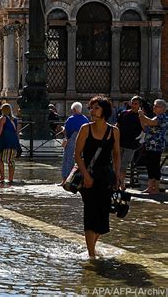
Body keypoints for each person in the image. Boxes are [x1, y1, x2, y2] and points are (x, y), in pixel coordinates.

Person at [74, 95, 121, 258]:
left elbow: (116, 155)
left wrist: (118, 174)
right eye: (91, 108)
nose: (92, 111)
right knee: (90, 212)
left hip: (106, 176)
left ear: (105, 110)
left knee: (103, 214)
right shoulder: (86, 128)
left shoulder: (114, 131)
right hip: (89, 175)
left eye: (96, 108)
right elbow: (77, 155)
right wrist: (86, 175)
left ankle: (92, 244)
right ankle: (91, 253)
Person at [138, 99, 168, 194]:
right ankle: (150, 187)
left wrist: (142, 115)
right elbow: (145, 127)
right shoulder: (156, 117)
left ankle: (156, 188)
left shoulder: (163, 117)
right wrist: (141, 117)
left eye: (156, 106)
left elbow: (150, 122)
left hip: (157, 145)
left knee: (155, 166)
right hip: (150, 145)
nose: (154, 107)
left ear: (162, 108)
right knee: (149, 165)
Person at [116, 96, 143, 189]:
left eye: (136, 104)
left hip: (131, 144)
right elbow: (117, 125)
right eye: (133, 103)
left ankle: (120, 182)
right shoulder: (124, 113)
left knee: (124, 164)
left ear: (140, 105)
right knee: (117, 163)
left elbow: (144, 128)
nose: (134, 105)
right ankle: (120, 182)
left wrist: (142, 116)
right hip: (120, 141)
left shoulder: (141, 116)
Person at [61, 102, 89, 185]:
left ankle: (65, 180)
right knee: (81, 160)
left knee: (67, 159)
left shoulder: (71, 119)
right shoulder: (85, 119)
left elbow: (67, 131)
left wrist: (63, 131)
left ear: (74, 110)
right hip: (83, 142)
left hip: (71, 141)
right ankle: (79, 179)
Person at [0, 104, 20, 183]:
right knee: (11, 160)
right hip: (13, 141)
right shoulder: (15, 119)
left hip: (5, 141)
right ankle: (10, 178)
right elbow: (17, 132)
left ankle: (2, 176)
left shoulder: (2, 119)